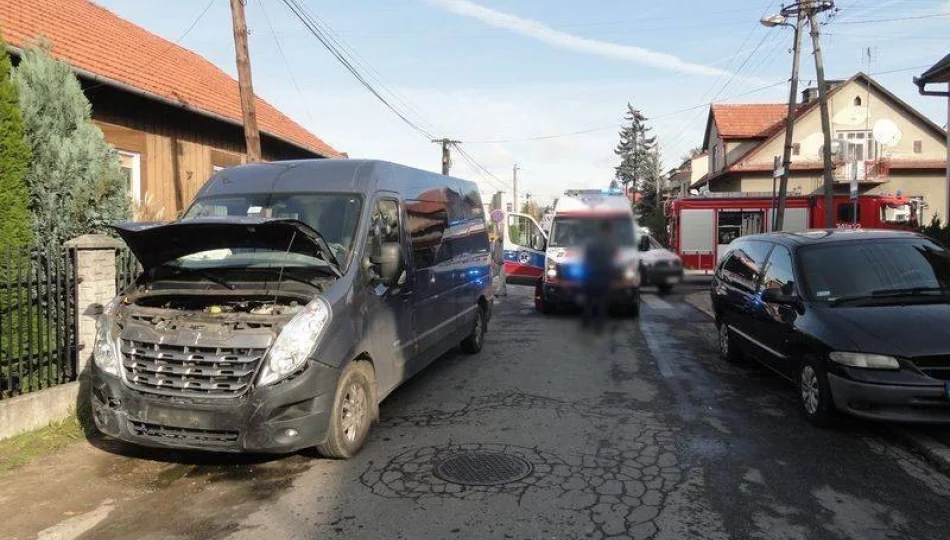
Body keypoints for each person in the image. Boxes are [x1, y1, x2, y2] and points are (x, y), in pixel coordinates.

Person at [582, 219, 616, 333]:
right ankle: (599, 327)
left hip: (590, 277)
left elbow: (585, 259)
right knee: (602, 303)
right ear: (608, 230)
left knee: (589, 302)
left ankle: (586, 324)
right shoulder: (610, 244)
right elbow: (612, 261)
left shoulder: (591, 242)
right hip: (604, 278)